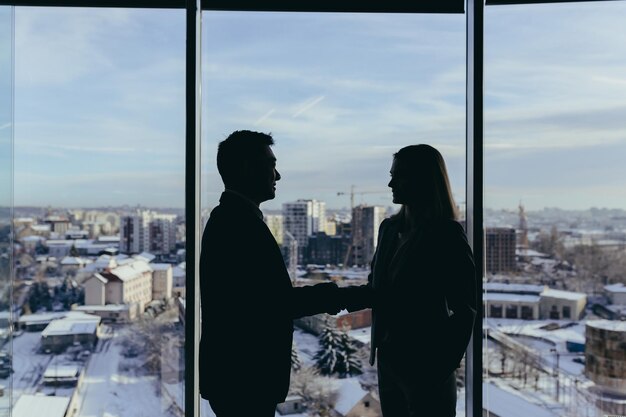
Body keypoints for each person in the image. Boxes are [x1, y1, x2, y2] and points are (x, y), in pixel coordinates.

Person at [199, 130, 341, 417]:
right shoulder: (240, 225)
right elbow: (278, 303)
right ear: (246, 168)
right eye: (270, 164)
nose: (278, 176)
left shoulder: (231, 218)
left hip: (235, 378)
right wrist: (348, 295)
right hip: (245, 380)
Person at [341, 144, 477, 417]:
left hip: (427, 368)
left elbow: (466, 308)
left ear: (423, 180)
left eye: (399, 175)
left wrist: (439, 367)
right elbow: (377, 289)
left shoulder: (445, 234)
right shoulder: (389, 229)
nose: (390, 182)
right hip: (389, 362)